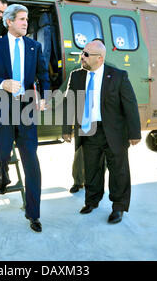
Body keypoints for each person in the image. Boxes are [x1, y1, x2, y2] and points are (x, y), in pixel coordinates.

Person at [0, 4, 50, 233]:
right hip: (1, 109)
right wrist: (2, 83)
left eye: (27, 19)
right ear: (9, 22)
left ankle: (33, 214)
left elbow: (44, 76)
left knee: (31, 163)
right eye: (22, 19)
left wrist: (44, 97)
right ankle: (3, 174)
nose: (26, 23)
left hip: (26, 111)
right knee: (2, 153)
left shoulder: (34, 47)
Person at [62, 40, 141, 224]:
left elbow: (130, 104)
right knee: (91, 169)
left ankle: (118, 207)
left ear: (100, 58)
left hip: (114, 131)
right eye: (83, 53)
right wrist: (67, 129)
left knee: (118, 170)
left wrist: (134, 132)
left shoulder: (118, 76)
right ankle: (92, 201)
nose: (82, 57)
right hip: (89, 130)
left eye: (86, 54)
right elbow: (69, 104)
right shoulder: (77, 76)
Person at [68, 38, 106, 194]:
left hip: (100, 122)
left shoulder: (108, 73)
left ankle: (96, 185)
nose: (84, 55)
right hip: (83, 120)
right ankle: (78, 181)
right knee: (80, 153)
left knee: (99, 157)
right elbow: (69, 98)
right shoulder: (78, 73)